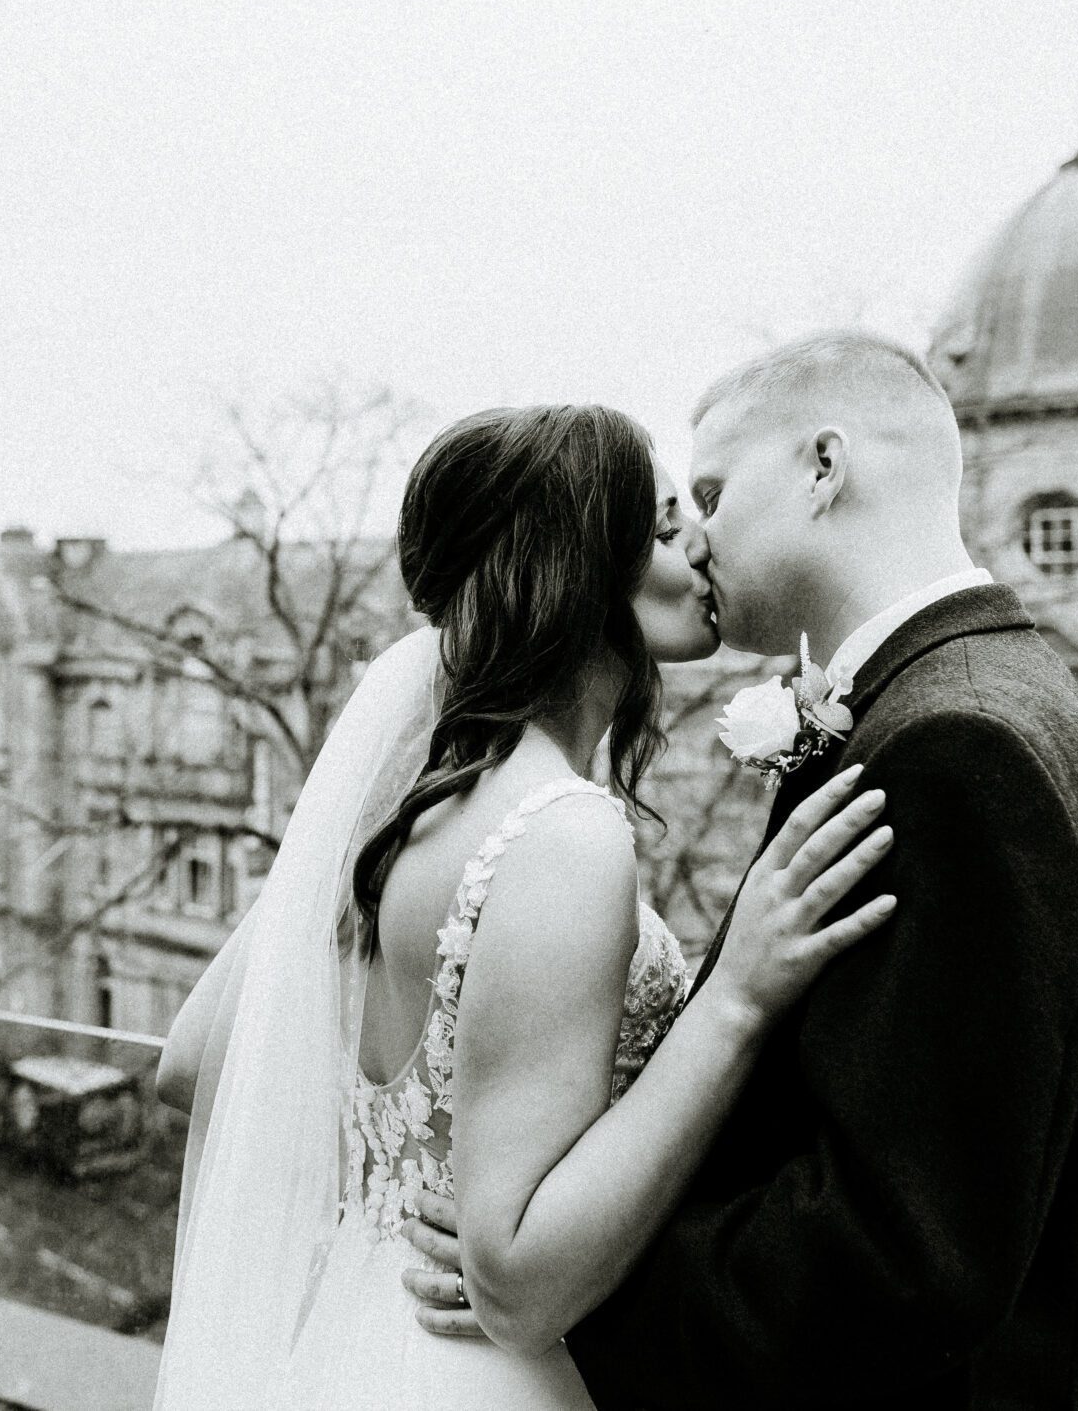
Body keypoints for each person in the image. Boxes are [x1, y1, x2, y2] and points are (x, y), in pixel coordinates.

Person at [407, 330, 1078, 1407]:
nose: (696, 537)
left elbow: (900, 1257)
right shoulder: (970, 695)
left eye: (712, 492)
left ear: (823, 467)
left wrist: (564, 1293)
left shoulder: (957, 747)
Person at [152, 403, 900, 1410]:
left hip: (355, 1339)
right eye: (665, 523)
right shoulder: (560, 832)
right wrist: (738, 997)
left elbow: (190, 1062)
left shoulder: (396, 805)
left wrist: (395, 1179)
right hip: (480, 1376)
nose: (700, 547)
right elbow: (524, 1281)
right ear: (581, 561)